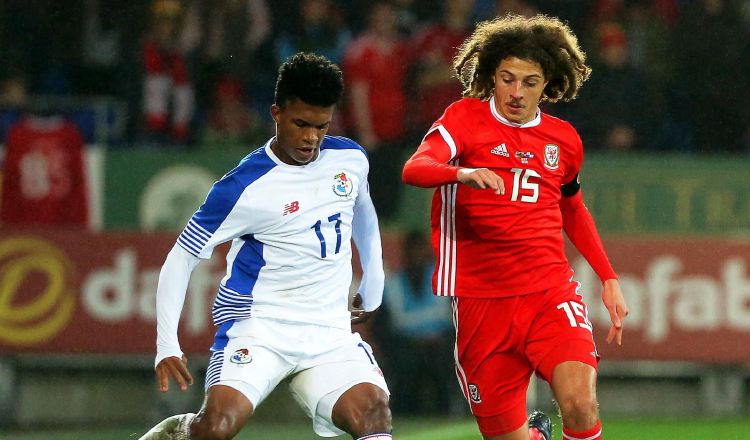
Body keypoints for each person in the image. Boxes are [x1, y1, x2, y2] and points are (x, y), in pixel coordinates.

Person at [139, 52, 393, 440]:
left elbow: (363, 212)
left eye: (321, 126)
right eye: (301, 124)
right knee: (217, 429)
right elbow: (182, 256)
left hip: (328, 332)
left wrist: (373, 280)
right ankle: (181, 432)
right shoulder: (242, 187)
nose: (311, 138)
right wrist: (166, 343)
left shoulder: (351, 159)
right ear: (276, 113)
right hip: (259, 327)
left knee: (374, 416)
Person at [402, 14, 629, 440]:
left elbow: (573, 209)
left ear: (549, 84)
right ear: (491, 76)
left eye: (529, 81)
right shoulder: (464, 119)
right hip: (480, 301)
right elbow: (415, 168)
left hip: (549, 292)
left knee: (580, 403)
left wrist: (608, 276)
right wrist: (460, 175)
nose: (516, 92)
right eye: (507, 79)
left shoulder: (563, 140)